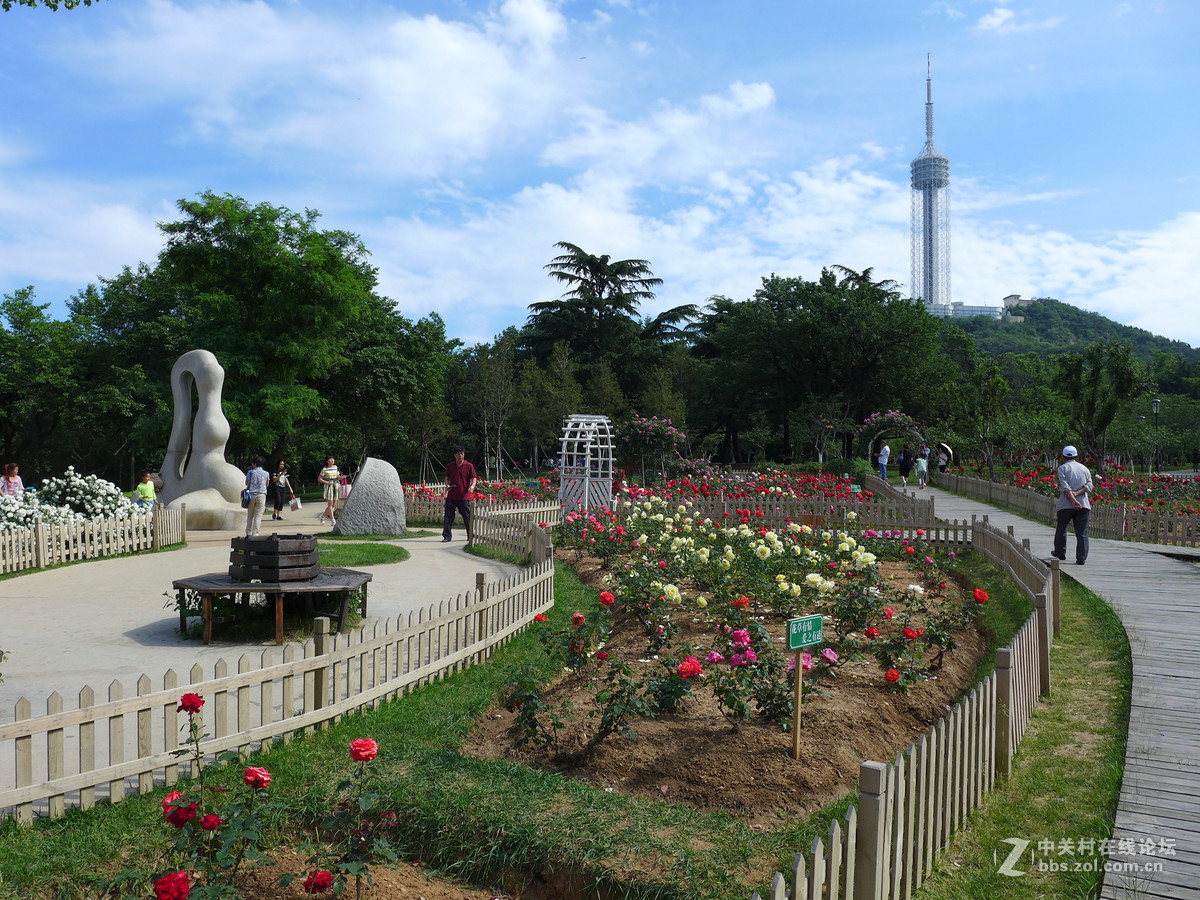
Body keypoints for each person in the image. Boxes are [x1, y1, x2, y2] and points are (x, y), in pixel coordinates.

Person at [1052, 445, 1093, 566]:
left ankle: (1060, 552)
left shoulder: (1063, 468)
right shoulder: (1084, 469)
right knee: (1082, 532)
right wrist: (1077, 494)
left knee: (1062, 529)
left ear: (1063, 456)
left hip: (1066, 505)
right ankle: (1081, 557)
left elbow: (1065, 488)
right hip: (1083, 505)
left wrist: (1072, 499)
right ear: (1076, 455)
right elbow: (1089, 486)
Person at [443, 446, 478, 543]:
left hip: (463, 496)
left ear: (464, 454)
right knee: (448, 516)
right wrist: (447, 485)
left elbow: (474, 477)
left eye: (462, 453)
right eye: (458, 453)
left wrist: (472, 486)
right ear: (455, 455)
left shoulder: (468, 465)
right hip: (452, 495)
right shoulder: (450, 466)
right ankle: (447, 536)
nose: (460, 455)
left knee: (467, 516)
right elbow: (446, 477)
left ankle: (470, 535)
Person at [244, 457, 270, 537]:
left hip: (251, 494)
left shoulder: (250, 472)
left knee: (250, 515)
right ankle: (255, 534)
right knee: (258, 515)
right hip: (261, 495)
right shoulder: (266, 473)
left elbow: (246, 483)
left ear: (254, 464)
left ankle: (248, 533)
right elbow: (267, 484)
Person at [318, 457, 339, 526]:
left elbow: (338, 476)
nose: (332, 460)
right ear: (327, 461)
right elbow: (319, 479)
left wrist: (342, 477)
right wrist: (327, 482)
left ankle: (322, 517)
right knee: (330, 503)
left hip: (335, 486)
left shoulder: (335, 467)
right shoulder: (325, 469)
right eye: (330, 459)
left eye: (333, 459)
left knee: (333, 504)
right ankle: (333, 520)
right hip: (328, 487)